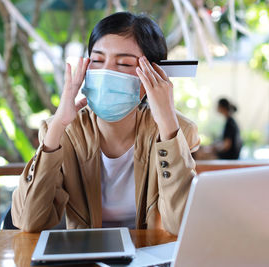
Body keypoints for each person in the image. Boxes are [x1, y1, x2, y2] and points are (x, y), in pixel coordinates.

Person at [11, 12, 200, 235]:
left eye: (123, 63)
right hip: (85, 257)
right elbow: (28, 221)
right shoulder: (64, 131)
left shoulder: (180, 131)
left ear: (155, 74)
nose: (106, 72)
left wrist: (168, 125)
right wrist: (57, 128)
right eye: (98, 60)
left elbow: (181, 225)